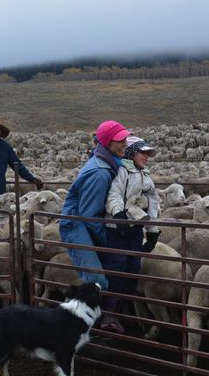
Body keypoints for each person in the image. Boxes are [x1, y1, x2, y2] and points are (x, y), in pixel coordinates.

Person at [59, 120, 131, 291]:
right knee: (97, 281)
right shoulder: (100, 172)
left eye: (125, 140)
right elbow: (89, 215)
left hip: (85, 221)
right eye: (120, 140)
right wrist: (108, 241)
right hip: (76, 224)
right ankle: (96, 316)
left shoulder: (108, 161)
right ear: (107, 142)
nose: (125, 144)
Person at [100, 136, 161, 333]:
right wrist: (118, 216)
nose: (146, 156)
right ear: (130, 153)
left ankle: (121, 314)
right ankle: (107, 316)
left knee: (132, 270)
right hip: (116, 229)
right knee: (116, 269)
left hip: (134, 230)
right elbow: (114, 195)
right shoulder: (122, 171)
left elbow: (152, 204)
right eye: (142, 152)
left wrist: (152, 232)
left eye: (147, 153)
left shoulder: (146, 176)